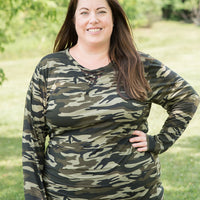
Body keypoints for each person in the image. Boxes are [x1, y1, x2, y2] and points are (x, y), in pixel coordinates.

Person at [22, 0, 200, 199]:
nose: (93, 19)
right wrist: (34, 195)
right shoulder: (49, 67)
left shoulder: (139, 65)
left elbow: (187, 97)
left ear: (113, 19)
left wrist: (160, 141)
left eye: (101, 11)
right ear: (73, 20)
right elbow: (32, 138)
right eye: (84, 12)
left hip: (137, 193)